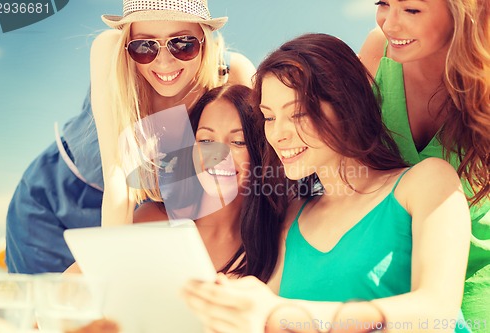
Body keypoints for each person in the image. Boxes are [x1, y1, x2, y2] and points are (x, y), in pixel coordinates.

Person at [182, 33, 472, 333]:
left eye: (297, 114)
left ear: (346, 106)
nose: (279, 134)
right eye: (269, 117)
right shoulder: (292, 217)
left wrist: (279, 313)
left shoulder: (426, 183)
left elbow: (438, 313)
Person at [5, 0, 256, 274]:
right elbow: (118, 178)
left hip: (143, 216)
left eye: (183, 44)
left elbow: (256, 167)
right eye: (144, 46)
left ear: (205, 40)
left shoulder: (232, 74)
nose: (164, 61)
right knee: (46, 310)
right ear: (128, 42)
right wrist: (113, 272)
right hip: (53, 202)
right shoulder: (110, 48)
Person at [358, 0, 489, 329]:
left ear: (460, 12)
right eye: (384, 4)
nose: (390, 23)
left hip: (476, 280)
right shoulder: (378, 51)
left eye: (411, 10)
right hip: (384, 269)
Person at [133, 84, 274, 273]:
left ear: (260, 150)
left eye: (238, 142)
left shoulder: (272, 243)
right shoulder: (151, 220)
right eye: (206, 141)